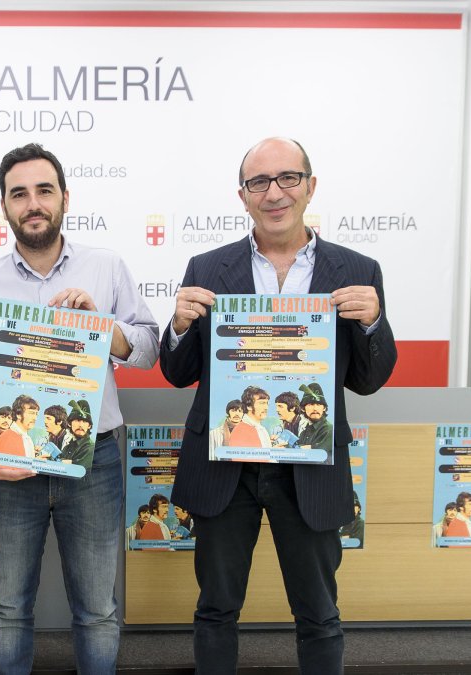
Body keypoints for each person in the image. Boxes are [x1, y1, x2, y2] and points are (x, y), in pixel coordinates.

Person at [160, 137, 397, 674]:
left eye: (288, 178)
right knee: (216, 609)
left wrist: (373, 324)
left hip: (309, 469)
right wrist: (177, 327)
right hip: (226, 465)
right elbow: (177, 373)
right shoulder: (205, 266)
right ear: (242, 196)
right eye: (259, 182)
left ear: (310, 187)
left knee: (319, 614)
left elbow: (369, 380)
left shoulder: (359, 269)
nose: (274, 193)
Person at [0, 143, 160, 674]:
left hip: (95, 463)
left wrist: (102, 325)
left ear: (65, 197)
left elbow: (151, 347)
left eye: (44, 190)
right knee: (8, 607)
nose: (33, 203)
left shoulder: (106, 267)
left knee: (97, 609)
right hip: (10, 466)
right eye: (19, 194)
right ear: (5, 206)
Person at [296, 383, 334, 451]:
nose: (315, 408)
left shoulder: (328, 429)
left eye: (319, 404)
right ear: (303, 408)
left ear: (324, 408)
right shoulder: (304, 431)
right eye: (311, 404)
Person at [60, 400, 95, 467]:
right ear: (69, 423)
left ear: (89, 426)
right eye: (77, 420)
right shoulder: (69, 444)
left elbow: (76, 469)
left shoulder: (90, 448)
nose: (81, 425)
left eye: (85, 421)